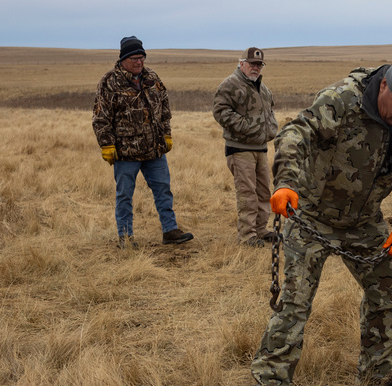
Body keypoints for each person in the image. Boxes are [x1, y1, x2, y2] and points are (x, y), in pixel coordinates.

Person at [248, 56, 392, 386]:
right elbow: (294, 134)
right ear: (384, 87)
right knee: (296, 303)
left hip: (365, 224)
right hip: (311, 217)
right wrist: (285, 183)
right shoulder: (341, 101)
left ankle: (377, 382)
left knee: (385, 299)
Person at [92, 36, 194, 248]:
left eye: (142, 58)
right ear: (123, 59)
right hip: (126, 153)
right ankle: (126, 238)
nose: (139, 62)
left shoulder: (152, 77)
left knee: (163, 191)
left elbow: (164, 108)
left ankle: (170, 230)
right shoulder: (110, 81)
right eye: (134, 58)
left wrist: (166, 134)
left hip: (154, 150)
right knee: (125, 196)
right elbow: (101, 117)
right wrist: (107, 145)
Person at [213, 47, 279, 247]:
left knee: (263, 191)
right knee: (247, 193)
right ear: (241, 63)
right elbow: (220, 111)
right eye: (251, 64)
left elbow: (270, 110)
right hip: (240, 148)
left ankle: (261, 229)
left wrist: (271, 128)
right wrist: (247, 127)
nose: (255, 68)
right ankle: (247, 235)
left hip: (260, 148)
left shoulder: (262, 88)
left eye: (258, 65)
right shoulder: (231, 85)